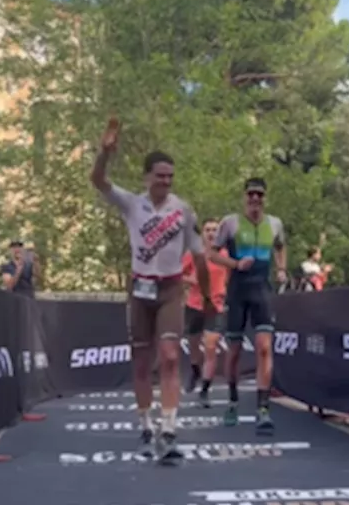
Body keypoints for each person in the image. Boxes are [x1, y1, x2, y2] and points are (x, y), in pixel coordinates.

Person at [90, 117, 214, 462]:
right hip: (140, 288)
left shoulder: (183, 210)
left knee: (172, 356)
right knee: (142, 360)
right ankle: (145, 423)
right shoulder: (133, 203)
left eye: (170, 177)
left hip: (172, 289)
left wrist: (205, 296)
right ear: (147, 177)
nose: (165, 181)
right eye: (160, 176)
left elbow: (199, 256)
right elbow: (98, 181)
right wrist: (105, 153)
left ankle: (170, 427)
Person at [210, 177, 288, 433]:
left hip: (262, 290)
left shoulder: (274, 223)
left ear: (265, 198)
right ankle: (232, 400)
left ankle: (263, 409)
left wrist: (281, 269)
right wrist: (234, 265)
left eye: (259, 195)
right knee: (233, 352)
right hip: (237, 292)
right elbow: (211, 253)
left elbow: (281, 245)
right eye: (251, 195)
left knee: (264, 347)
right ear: (244, 197)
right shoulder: (230, 223)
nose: (255, 199)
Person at [183, 218, 229, 406]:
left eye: (215, 230)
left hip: (216, 306)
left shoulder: (225, 254)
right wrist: (192, 280)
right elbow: (178, 273)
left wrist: (227, 295)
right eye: (208, 229)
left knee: (211, 347)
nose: (211, 233)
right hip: (195, 305)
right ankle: (195, 369)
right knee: (194, 345)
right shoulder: (194, 254)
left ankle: (205, 390)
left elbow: (232, 277)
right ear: (202, 234)